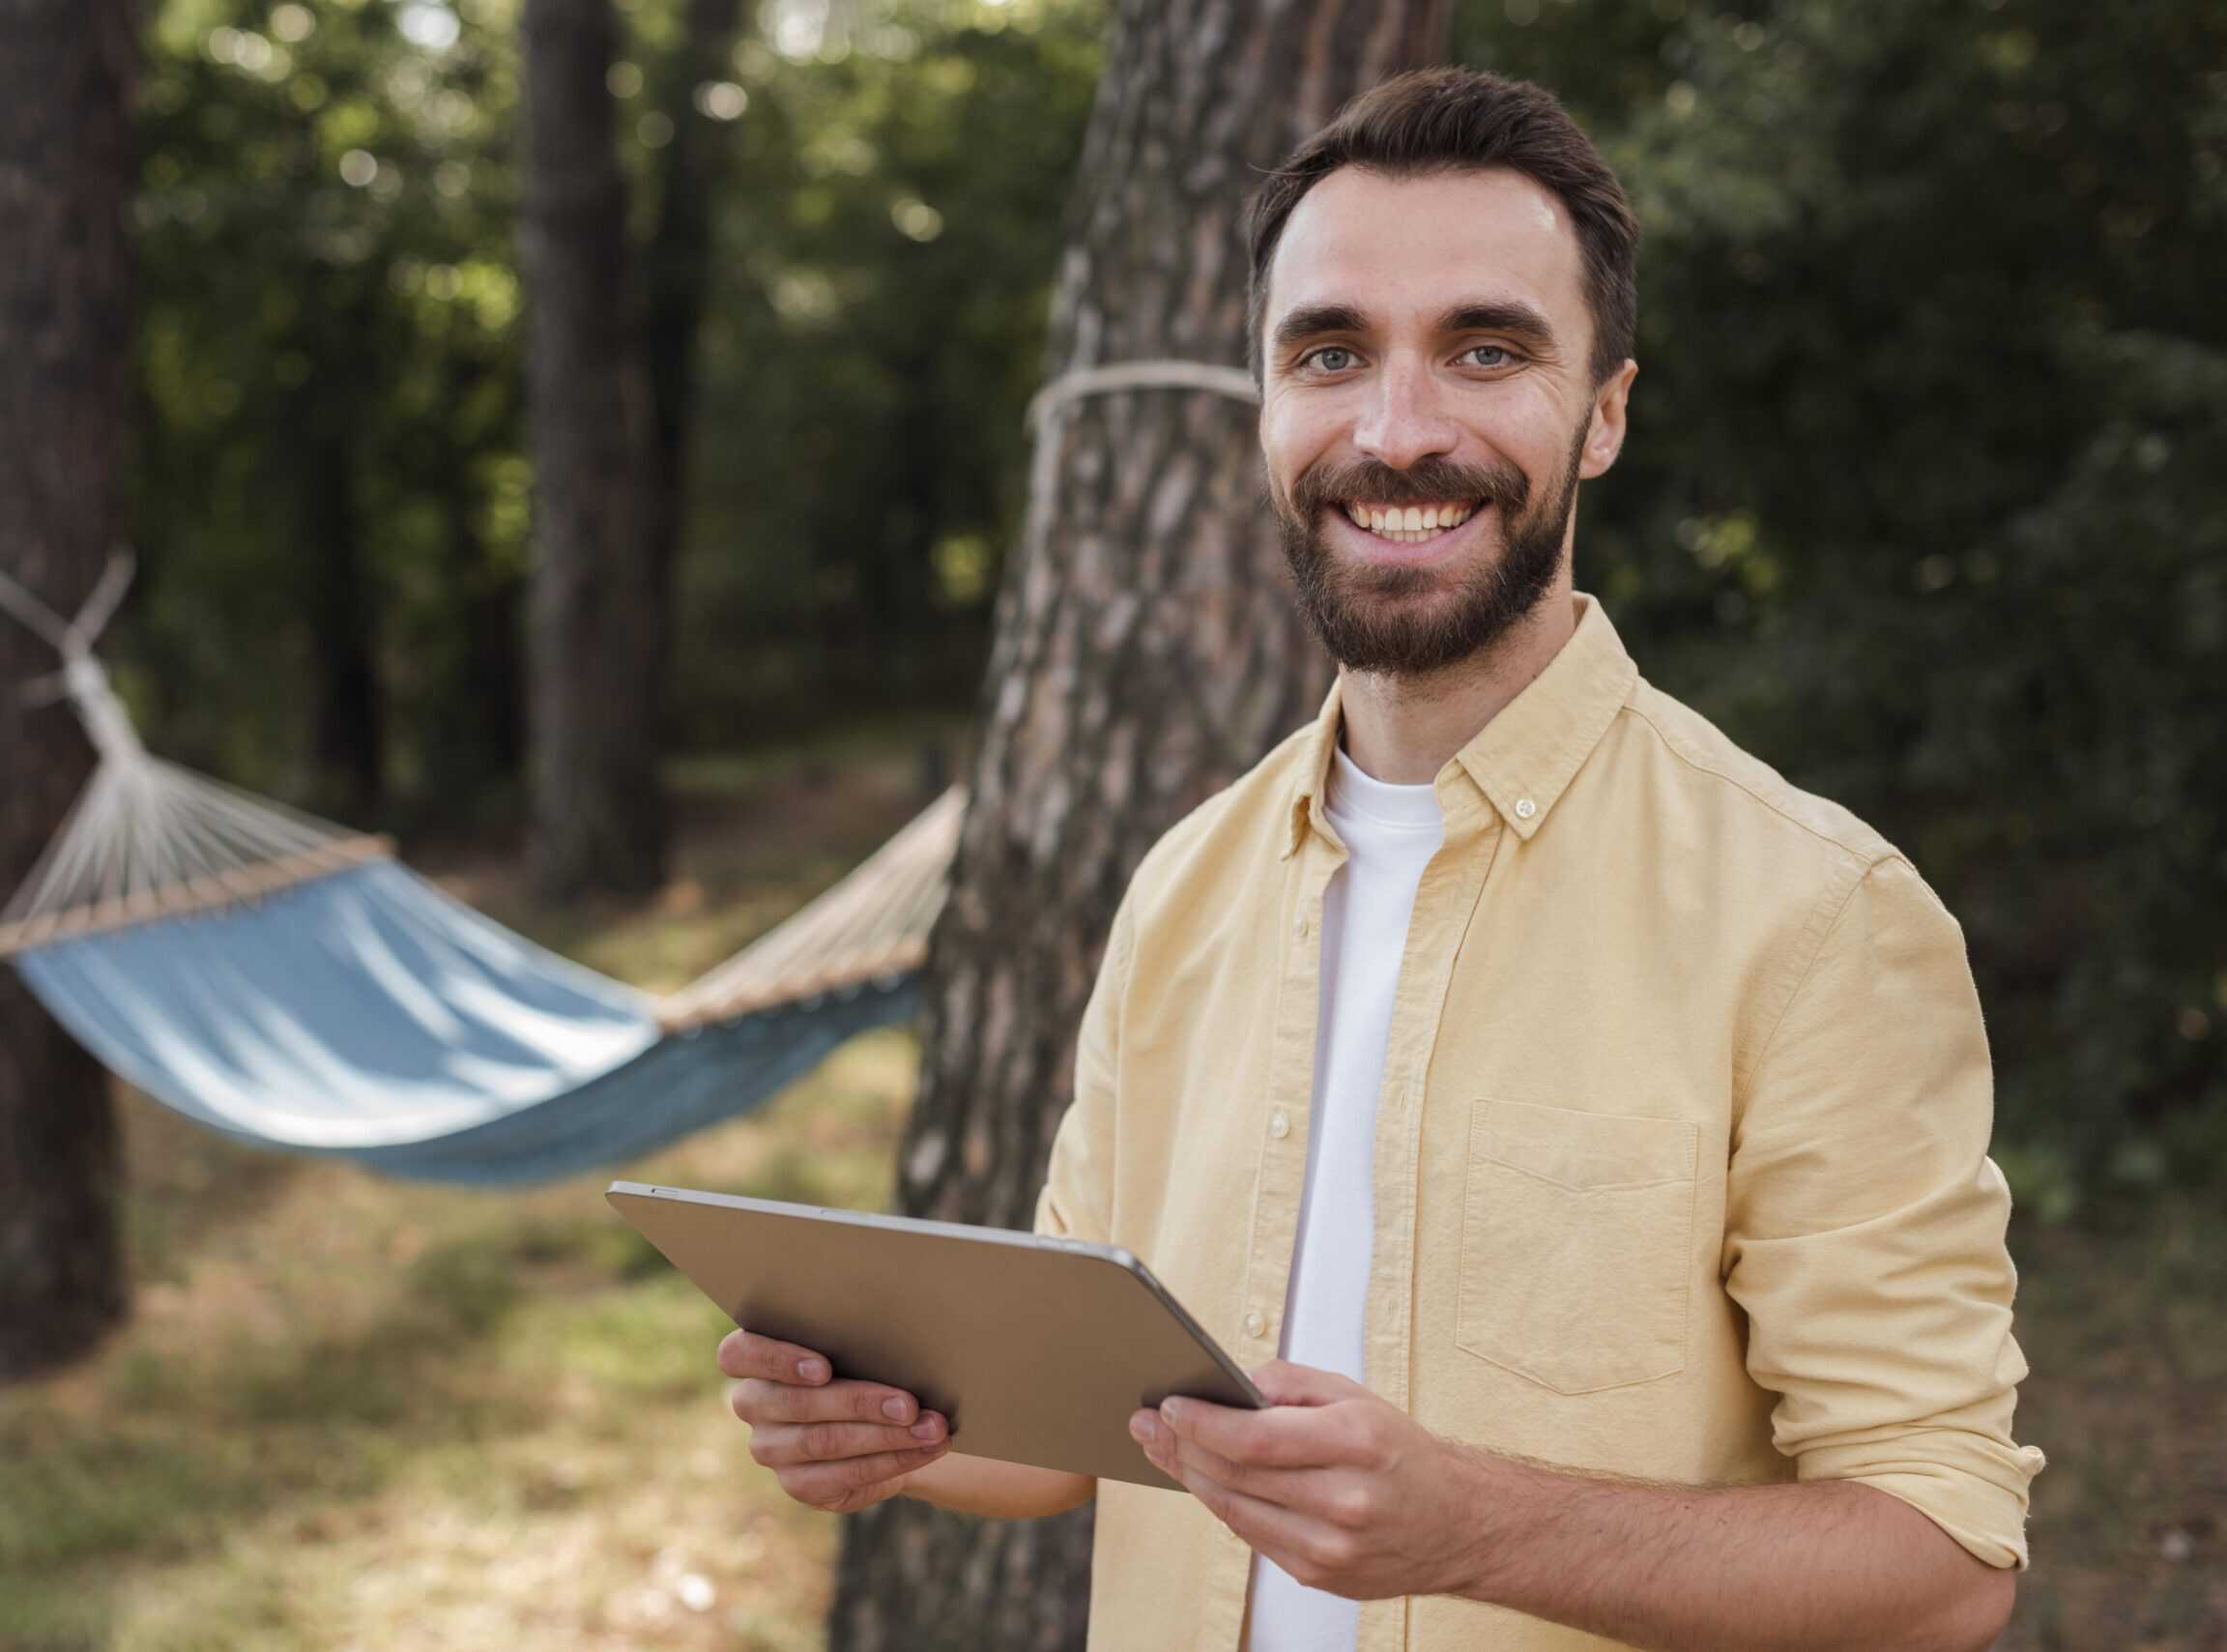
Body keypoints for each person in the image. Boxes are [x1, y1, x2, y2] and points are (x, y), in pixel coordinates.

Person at [717, 66, 2043, 1652]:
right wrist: (882, 1423)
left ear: (1605, 411)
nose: (1397, 430)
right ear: (1267, 407)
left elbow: (1948, 1560)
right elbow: (1070, 1431)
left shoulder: (1818, 916)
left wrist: (1477, 1526)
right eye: (1331, 354)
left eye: (1487, 350)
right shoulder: (1187, 887)